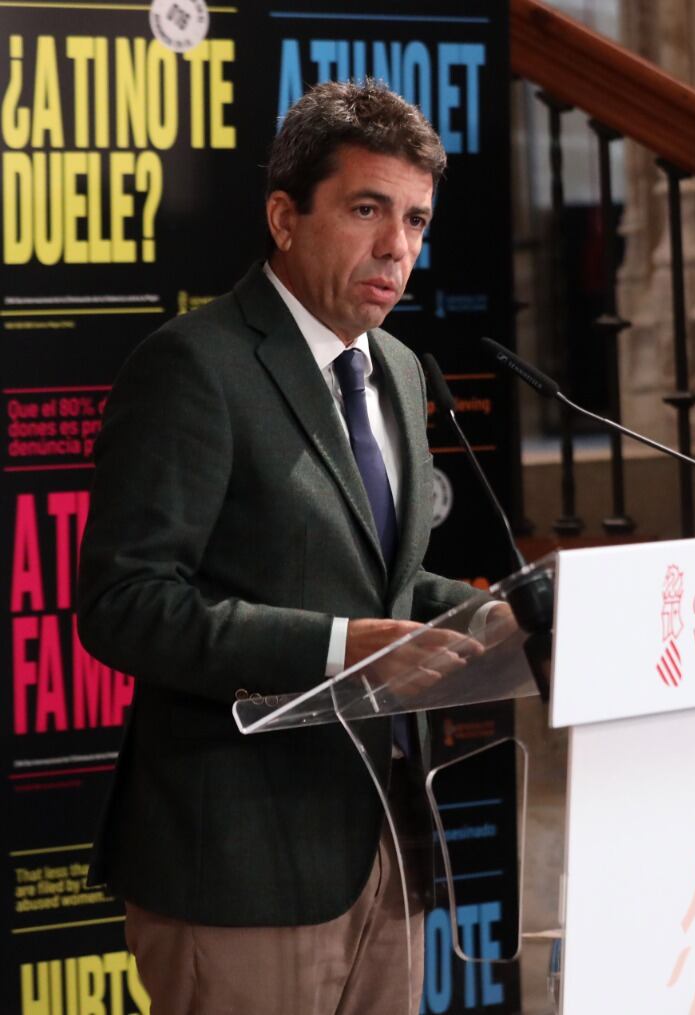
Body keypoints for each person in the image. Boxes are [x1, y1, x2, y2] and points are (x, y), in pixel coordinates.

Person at [77, 80, 493, 1014]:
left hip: (383, 850)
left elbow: (379, 576)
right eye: (366, 210)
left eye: (417, 221)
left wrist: (490, 614)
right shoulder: (197, 366)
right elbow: (126, 602)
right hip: (237, 863)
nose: (398, 247)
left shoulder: (394, 366)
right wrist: (343, 646)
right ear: (283, 216)